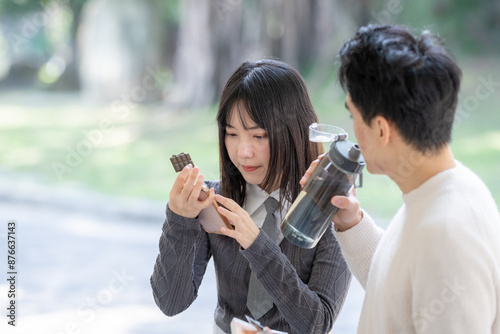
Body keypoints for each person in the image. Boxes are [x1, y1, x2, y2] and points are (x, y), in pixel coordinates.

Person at [301, 24, 500, 333]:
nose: (352, 130)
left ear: (381, 129)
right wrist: (350, 221)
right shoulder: (439, 192)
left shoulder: (447, 236)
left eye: (353, 116)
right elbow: (398, 291)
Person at [151, 59, 351, 334]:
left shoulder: (332, 210)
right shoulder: (214, 200)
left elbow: (316, 324)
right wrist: (179, 218)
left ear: (294, 133)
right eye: (231, 134)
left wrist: (256, 244)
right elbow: (171, 302)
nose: (243, 152)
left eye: (258, 136)